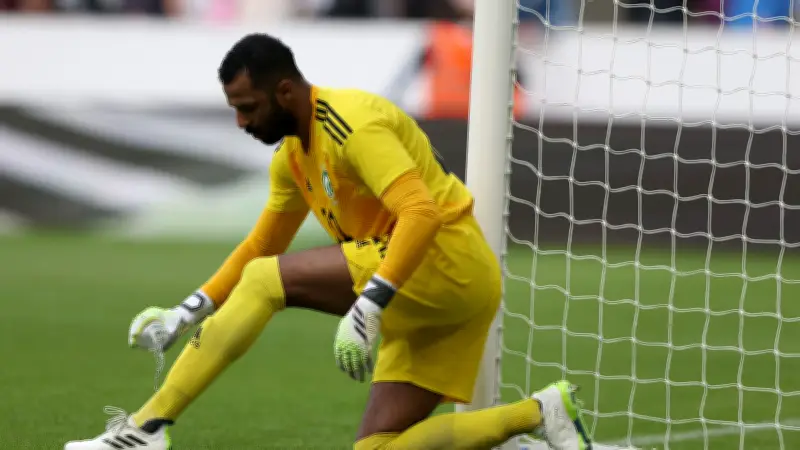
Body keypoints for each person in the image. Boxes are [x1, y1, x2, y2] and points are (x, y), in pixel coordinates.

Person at [64, 33, 593, 450]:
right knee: (377, 446)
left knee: (265, 282)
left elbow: (421, 212)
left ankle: (145, 428)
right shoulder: (291, 158)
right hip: (429, 293)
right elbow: (260, 245)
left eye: (248, 107)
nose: (241, 121)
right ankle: (541, 414)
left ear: (285, 92)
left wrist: (370, 302)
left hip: (447, 264)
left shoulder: (352, 124)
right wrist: (186, 312)